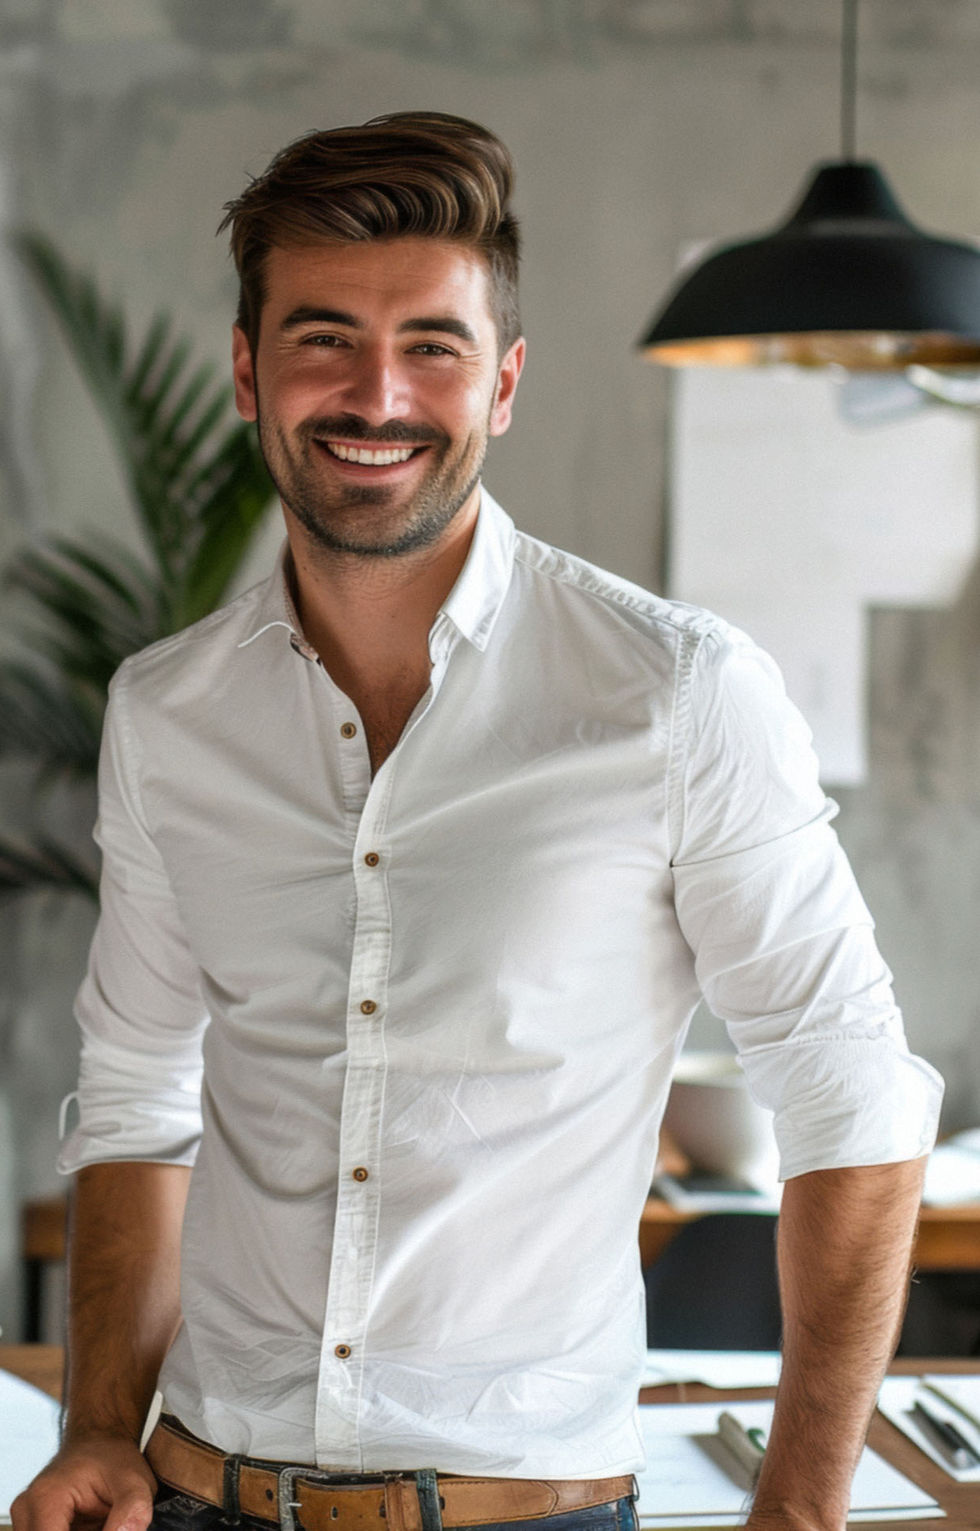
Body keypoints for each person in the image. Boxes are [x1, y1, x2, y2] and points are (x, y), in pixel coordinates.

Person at [13, 111, 943, 1531]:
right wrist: (92, 1426)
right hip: (199, 1497)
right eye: (322, 338)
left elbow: (852, 1095)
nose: (376, 393)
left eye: (432, 348)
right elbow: (140, 1099)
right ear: (249, 373)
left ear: (502, 384)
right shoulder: (167, 714)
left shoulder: (677, 697)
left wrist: (802, 1511)